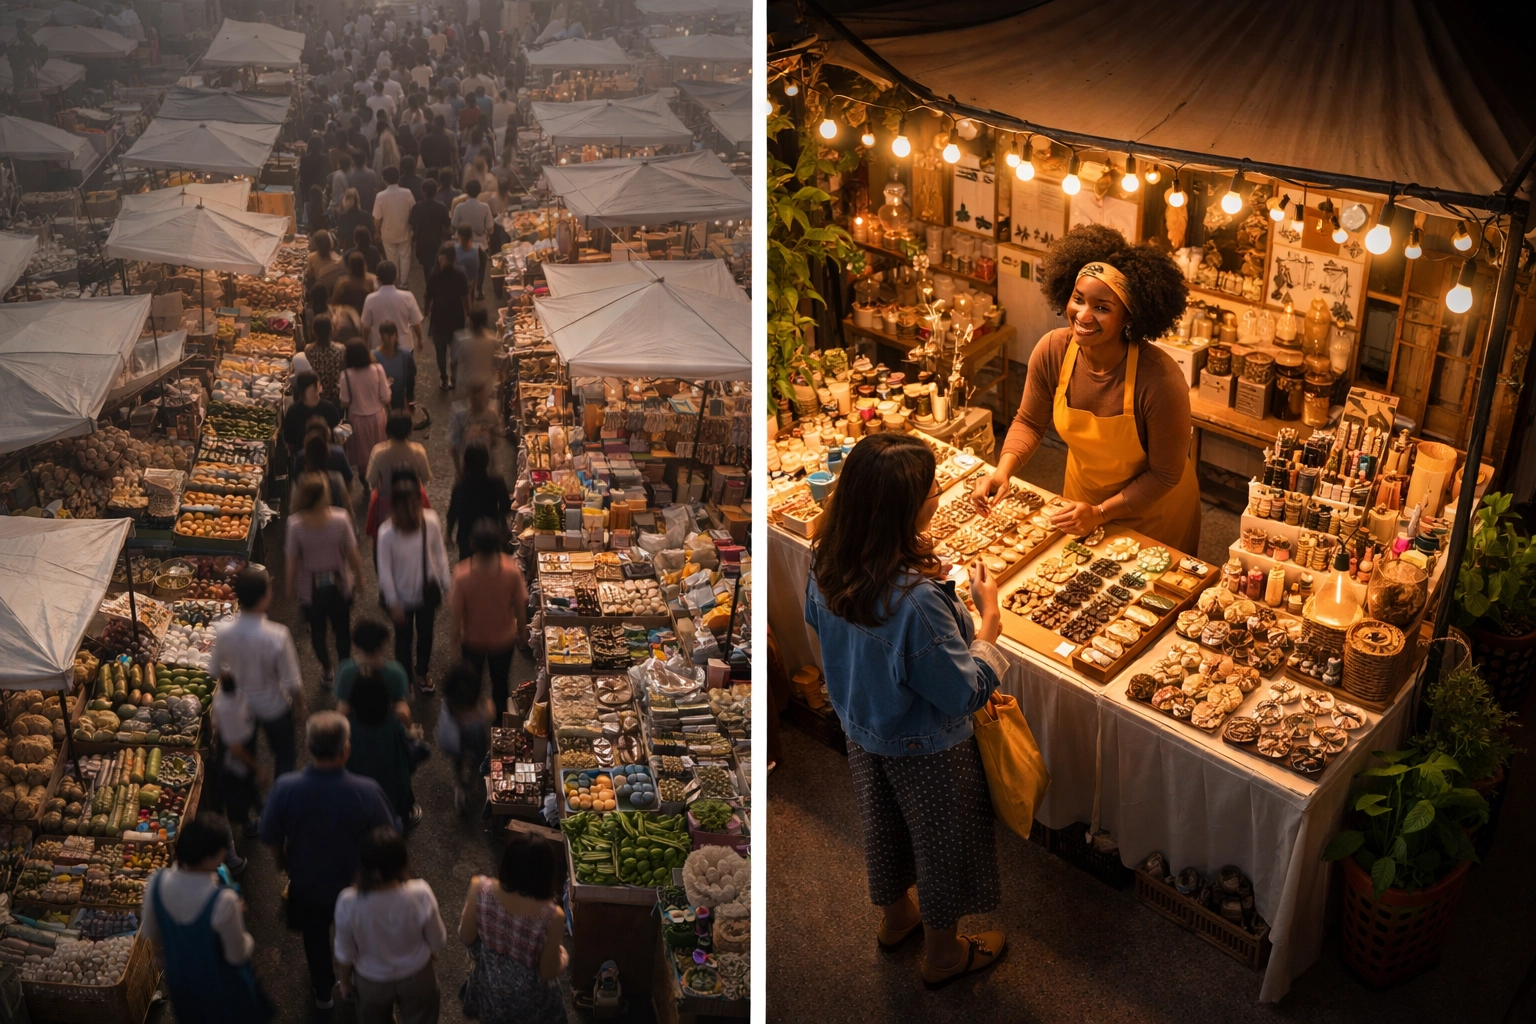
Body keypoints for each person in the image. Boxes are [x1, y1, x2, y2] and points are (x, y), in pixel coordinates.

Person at [804, 432, 1009, 986]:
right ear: (906, 508)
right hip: (928, 745)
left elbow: (821, 625)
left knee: (883, 822)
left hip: (860, 725)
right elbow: (965, 692)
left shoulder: (825, 558)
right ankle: (943, 956)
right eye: (934, 487)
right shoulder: (916, 601)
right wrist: (988, 622)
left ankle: (897, 918)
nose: (940, 493)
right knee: (942, 843)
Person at [970, 224, 1199, 552]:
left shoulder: (1160, 381)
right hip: (1082, 500)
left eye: (1102, 307)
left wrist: (1102, 512)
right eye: (1078, 299)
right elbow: (1030, 422)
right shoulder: (1053, 350)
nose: (1084, 315)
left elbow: (1164, 476)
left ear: (1129, 317)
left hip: (1153, 511)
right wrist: (1002, 470)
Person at [261, 713, 400, 1010]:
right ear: (346, 749)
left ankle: (323, 992)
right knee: (358, 935)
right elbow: (390, 836)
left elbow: (270, 835)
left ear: (308, 747)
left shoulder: (286, 788)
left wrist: (282, 862)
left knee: (314, 938)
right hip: (357, 886)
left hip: (307, 884)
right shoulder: (367, 791)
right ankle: (358, 986)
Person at [142, 813, 271, 1023]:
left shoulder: (155, 884)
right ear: (214, 856)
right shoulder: (224, 901)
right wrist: (246, 935)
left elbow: (152, 938)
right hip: (220, 993)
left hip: (182, 989)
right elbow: (237, 955)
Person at [334, 827, 446, 1022]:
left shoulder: (348, 902)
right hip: (418, 977)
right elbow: (438, 941)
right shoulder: (420, 893)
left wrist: (345, 983)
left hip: (371, 982)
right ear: (403, 861)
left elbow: (345, 954)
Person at [456, 834, 566, 1023]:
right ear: (547, 874)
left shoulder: (480, 888)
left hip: (490, 986)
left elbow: (466, 936)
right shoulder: (552, 916)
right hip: (531, 998)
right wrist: (563, 956)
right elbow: (547, 972)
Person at [209, 568, 304, 777]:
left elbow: (214, 669)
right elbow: (292, 681)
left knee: (242, 763)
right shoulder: (277, 635)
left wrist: (235, 674)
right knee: (285, 758)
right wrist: (299, 706)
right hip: (274, 707)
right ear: (264, 597)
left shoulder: (224, 633)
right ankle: (281, 796)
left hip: (240, 706)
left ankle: (252, 788)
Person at [286, 475, 364, 684]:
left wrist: (290, 586)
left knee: (317, 632)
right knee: (342, 630)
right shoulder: (340, 519)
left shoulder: (295, 525)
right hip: (340, 584)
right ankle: (344, 670)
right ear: (323, 496)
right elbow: (352, 553)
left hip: (310, 589)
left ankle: (327, 669)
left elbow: (292, 560)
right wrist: (361, 578)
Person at [377, 478, 452, 693]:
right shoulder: (386, 534)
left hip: (426, 593)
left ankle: (421, 671)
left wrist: (447, 586)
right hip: (401, 598)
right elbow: (385, 572)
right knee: (403, 641)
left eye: (416, 503)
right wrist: (393, 603)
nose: (414, 509)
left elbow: (440, 555)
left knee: (426, 635)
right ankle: (405, 679)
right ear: (397, 507)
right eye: (408, 504)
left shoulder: (430, 521)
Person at [450, 517, 525, 718]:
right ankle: (499, 734)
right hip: (503, 641)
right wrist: (523, 632)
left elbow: (457, 615)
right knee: (500, 686)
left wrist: (453, 643)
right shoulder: (512, 570)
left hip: (472, 641)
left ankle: (472, 728)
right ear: (499, 543)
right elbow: (520, 605)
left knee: (471, 688)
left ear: (472, 544)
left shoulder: (462, 574)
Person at [344, 665, 420, 823]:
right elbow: (409, 746)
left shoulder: (349, 727)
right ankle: (404, 816)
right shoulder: (392, 723)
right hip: (391, 778)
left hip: (361, 782)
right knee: (398, 788)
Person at [210, 671, 267, 838]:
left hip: (239, 745)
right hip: (234, 755)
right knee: (239, 790)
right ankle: (248, 823)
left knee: (248, 784)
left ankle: (261, 809)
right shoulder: (228, 708)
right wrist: (257, 768)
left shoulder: (222, 697)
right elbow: (236, 749)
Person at [335, 617, 413, 725]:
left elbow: (343, 706)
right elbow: (401, 706)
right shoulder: (396, 671)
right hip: (387, 726)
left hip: (356, 728)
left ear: (357, 643)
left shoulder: (346, 670)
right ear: (382, 644)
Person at [439, 661, 493, 813]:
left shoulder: (449, 704)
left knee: (459, 761)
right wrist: (485, 713)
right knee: (478, 758)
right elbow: (486, 713)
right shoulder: (469, 717)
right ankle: (466, 788)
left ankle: (461, 784)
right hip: (466, 740)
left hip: (455, 744)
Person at [340, 339, 393, 477]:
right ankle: (380, 481)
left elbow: (344, 402)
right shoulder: (377, 369)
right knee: (381, 453)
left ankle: (365, 484)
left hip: (357, 421)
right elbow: (386, 398)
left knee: (363, 459)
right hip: (378, 418)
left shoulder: (346, 375)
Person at [446, 445, 510, 560]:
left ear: (466, 463)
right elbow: (505, 506)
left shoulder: (460, 486)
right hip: (492, 533)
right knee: (492, 563)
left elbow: (453, 512)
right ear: (487, 461)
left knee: (467, 564)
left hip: (466, 536)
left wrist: (448, 533)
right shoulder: (497, 481)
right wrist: (503, 526)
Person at [366, 412, 433, 516]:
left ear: (387, 429)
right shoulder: (419, 451)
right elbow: (425, 478)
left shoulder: (378, 452)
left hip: (386, 502)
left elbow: (372, 481)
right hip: (412, 502)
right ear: (410, 430)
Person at [423, 243, 470, 389]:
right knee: (453, 349)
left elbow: (428, 296)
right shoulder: (460, 273)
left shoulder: (434, 273)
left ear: (441, 257)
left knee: (441, 350)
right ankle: (452, 376)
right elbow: (465, 296)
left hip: (439, 317)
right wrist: (469, 314)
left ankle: (444, 378)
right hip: (456, 316)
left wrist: (426, 311)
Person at [361, 259, 425, 352]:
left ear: (378, 279)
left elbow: (365, 327)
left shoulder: (370, 299)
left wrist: (365, 345)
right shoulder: (408, 297)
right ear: (395, 278)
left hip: (379, 349)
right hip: (405, 347)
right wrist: (420, 340)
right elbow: (416, 323)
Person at [292, 427, 354, 516]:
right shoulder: (336, 479)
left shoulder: (301, 479)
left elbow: (293, 509)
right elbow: (349, 508)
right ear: (327, 452)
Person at [449, 378, 502, 476]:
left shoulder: (491, 414)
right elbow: (454, 447)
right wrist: (459, 471)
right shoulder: (461, 415)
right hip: (468, 467)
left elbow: (495, 442)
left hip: (486, 467)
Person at [372, 166, 416, 282]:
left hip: (387, 233)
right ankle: (403, 282)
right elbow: (414, 210)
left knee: (392, 259)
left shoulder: (380, 196)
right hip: (405, 230)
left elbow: (377, 218)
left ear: (384, 180)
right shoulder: (407, 193)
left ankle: (394, 281)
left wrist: (377, 232)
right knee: (405, 257)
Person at [282, 372, 341, 458]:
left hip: (327, 457)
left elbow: (336, 433)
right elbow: (289, 440)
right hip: (304, 459)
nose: (320, 386)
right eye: (316, 386)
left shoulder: (329, 408)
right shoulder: (294, 411)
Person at [410, 178, 454, 283]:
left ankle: (429, 286)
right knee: (438, 264)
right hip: (437, 241)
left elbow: (412, 223)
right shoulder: (441, 206)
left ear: (422, 191)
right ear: (436, 191)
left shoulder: (417, 207)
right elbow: (447, 224)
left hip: (422, 241)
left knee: (427, 267)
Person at [301, 315, 348, 406]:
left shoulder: (308, 349)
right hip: (336, 396)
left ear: (314, 332)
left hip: (316, 396)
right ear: (331, 330)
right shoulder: (341, 349)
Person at [374, 321, 417, 413]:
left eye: (391, 335)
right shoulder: (374, 357)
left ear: (396, 336)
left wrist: (409, 399)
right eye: (386, 336)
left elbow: (411, 379)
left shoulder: (405, 355)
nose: (389, 340)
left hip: (400, 404)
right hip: (380, 407)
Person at [450, 177, 493, 250]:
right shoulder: (485, 207)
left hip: (463, 245)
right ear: (479, 191)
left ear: (466, 190)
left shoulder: (459, 207)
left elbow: (454, 225)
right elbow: (490, 228)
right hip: (481, 246)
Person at [333, 251, 378, 315]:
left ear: (349, 266)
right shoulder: (372, 279)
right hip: (366, 316)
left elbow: (334, 303)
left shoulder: (342, 282)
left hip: (348, 318)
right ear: (364, 264)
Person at [306, 229, 348, 294]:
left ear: (316, 244)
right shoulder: (339, 257)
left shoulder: (311, 257)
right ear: (330, 242)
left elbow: (308, 275)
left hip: (321, 294)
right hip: (338, 293)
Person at [335, 188, 373, 260]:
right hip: (367, 251)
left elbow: (340, 235)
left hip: (349, 252)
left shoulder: (342, 217)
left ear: (345, 201)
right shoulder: (366, 215)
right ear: (358, 200)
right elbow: (372, 232)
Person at [452, 224, 481, 298]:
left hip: (457, 287)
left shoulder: (453, 251)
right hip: (471, 286)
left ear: (458, 235)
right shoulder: (478, 250)